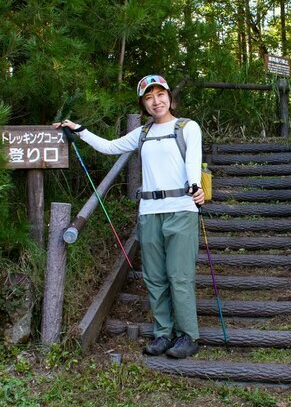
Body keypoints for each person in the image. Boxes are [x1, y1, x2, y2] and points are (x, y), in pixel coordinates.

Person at [55, 75, 204, 359]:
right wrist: (79, 130)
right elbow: (110, 146)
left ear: (170, 97)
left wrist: (195, 187)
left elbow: (192, 161)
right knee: (155, 276)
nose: (156, 101)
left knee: (179, 275)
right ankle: (163, 333)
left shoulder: (187, 127)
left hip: (181, 210)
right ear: (143, 104)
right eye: (149, 98)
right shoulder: (143, 133)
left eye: (160, 95)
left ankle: (188, 336)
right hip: (149, 212)